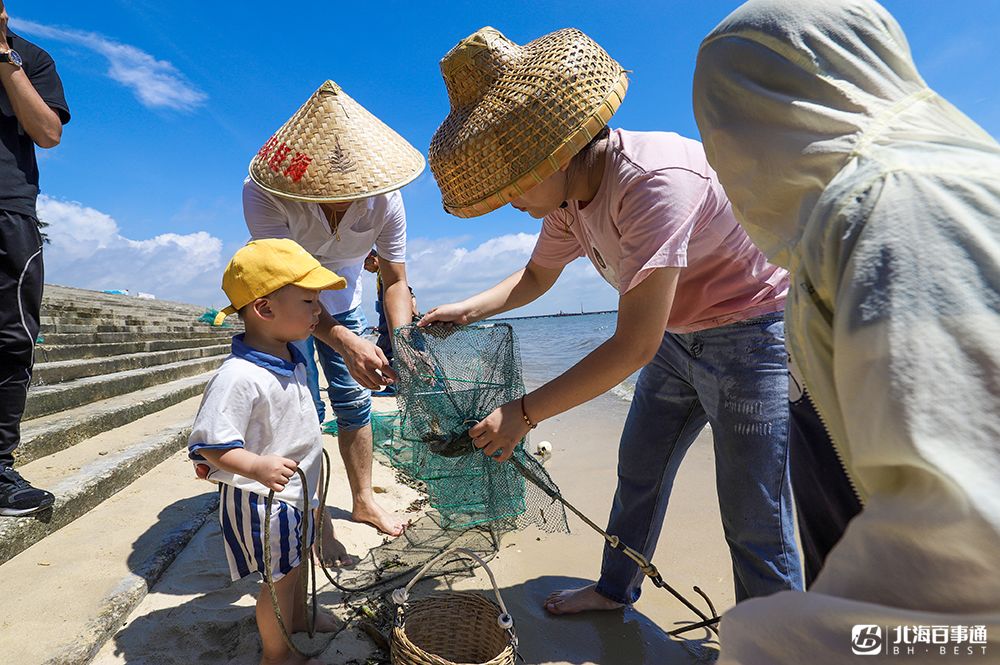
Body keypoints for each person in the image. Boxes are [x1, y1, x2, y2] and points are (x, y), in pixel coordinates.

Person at [421, 26, 803, 615]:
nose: (510, 200)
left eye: (514, 183)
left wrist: (522, 414)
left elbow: (630, 347)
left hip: (751, 336)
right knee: (638, 475)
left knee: (755, 514)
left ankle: (779, 644)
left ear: (554, 152)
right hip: (677, 339)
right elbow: (536, 278)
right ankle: (613, 589)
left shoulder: (654, 183)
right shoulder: (567, 199)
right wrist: (466, 308)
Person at [692, 0, 1000, 661]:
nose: (724, 164)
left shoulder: (900, 206)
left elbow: (965, 566)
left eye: (727, 123)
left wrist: (767, 645)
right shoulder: (853, 222)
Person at [243, 80, 423, 537]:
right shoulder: (265, 190)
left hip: (343, 301)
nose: (340, 198)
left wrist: (400, 342)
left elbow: (395, 279)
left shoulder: (385, 199)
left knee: (355, 401)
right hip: (280, 305)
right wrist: (345, 342)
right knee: (299, 408)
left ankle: (363, 500)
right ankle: (314, 517)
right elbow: (281, 282)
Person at [191, 239, 346, 665]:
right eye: (309, 301)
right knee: (277, 579)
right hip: (262, 499)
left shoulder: (293, 357)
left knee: (294, 568)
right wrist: (256, 465)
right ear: (265, 309)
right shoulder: (238, 376)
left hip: (297, 493)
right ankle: (276, 655)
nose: (319, 310)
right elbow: (211, 445)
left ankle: (295, 621)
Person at [0, 1, 70, 516]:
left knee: (11, 339)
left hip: (8, 209)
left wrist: (4, 56)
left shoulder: (31, 57)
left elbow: (47, 133)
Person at [363, 248, 418, 395]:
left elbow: (407, 292)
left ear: (374, 260)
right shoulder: (381, 276)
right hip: (384, 318)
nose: (364, 268)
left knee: (388, 350)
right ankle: (395, 384)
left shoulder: (386, 274)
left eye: (365, 264)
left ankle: (392, 386)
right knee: (387, 348)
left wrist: (412, 309)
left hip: (390, 320)